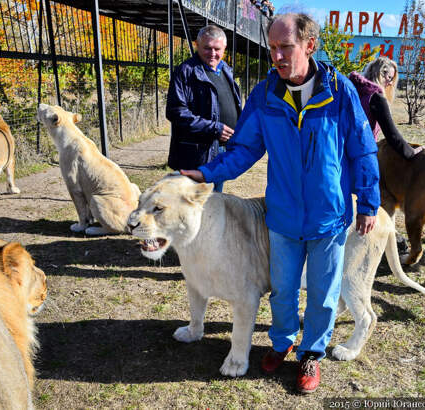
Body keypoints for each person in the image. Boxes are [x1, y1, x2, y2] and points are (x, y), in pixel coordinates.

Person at [181, 13, 380, 394]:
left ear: (309, 45)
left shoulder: (340, 92)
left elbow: (363, 149)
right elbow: (244, 147)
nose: (276, 55)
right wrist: (206, 174)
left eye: (284, 47)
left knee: (322, 295)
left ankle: (311, 353)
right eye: (272, 48)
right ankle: (282, 342)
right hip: (283, 217)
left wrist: (369, 202)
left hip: (329, 217)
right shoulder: (266, 94)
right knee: (283, 289)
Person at [166, 25, 242, 192]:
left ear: (225, 48)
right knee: (191, 205)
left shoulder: (226, 70)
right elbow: (176, 111)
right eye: (207, 48)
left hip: (221, 150)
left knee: (214, 202)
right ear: (197, 45)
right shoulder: (185, 72)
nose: (212, 53)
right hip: (196, 155)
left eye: (217, 49)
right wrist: (214, 128)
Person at [348, 56, 424, 159]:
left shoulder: (354, 91)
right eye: (390, 78)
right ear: (380, 74)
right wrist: (411, 153)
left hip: (344, 150)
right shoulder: (376, 98)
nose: (391, 83)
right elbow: (391, 134)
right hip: (362, 154)